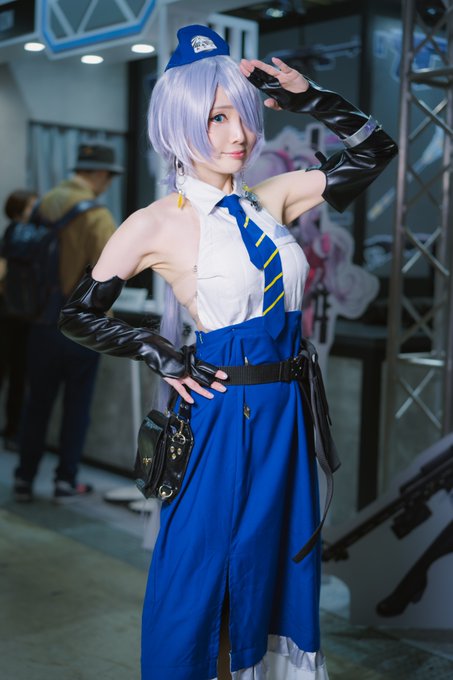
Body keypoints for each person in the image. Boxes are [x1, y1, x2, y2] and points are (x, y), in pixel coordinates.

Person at [58, 25, 397, 680]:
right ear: (180, 121)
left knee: (277, 566)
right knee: (204, 572)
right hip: (221, 412)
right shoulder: (155, 222)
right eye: (217, 117)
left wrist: (309, 98)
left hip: (287, 415)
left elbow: (375, 150)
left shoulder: (273, 198)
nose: (237, 134)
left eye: (241, 115)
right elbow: (76, 313)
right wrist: (158, 350)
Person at [13, 143, 123, 502]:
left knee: (36, 404)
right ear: (99, 173)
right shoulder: (97, 216)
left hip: (40, 321)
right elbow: (110, 274)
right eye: (108, 176)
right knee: (77, 407)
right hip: (80, 327)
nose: (107, 184)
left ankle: (24, 478)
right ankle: (65, 480)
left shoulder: (44, 203)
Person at [0, 189, 38, 450]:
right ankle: (13, 432)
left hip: (15, 314)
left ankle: (13, 431)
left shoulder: (14, 234)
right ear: (19, 210)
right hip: (15, 314)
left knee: (16, 377)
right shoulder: (21, 234)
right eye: (32, 206)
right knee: (16, 376)